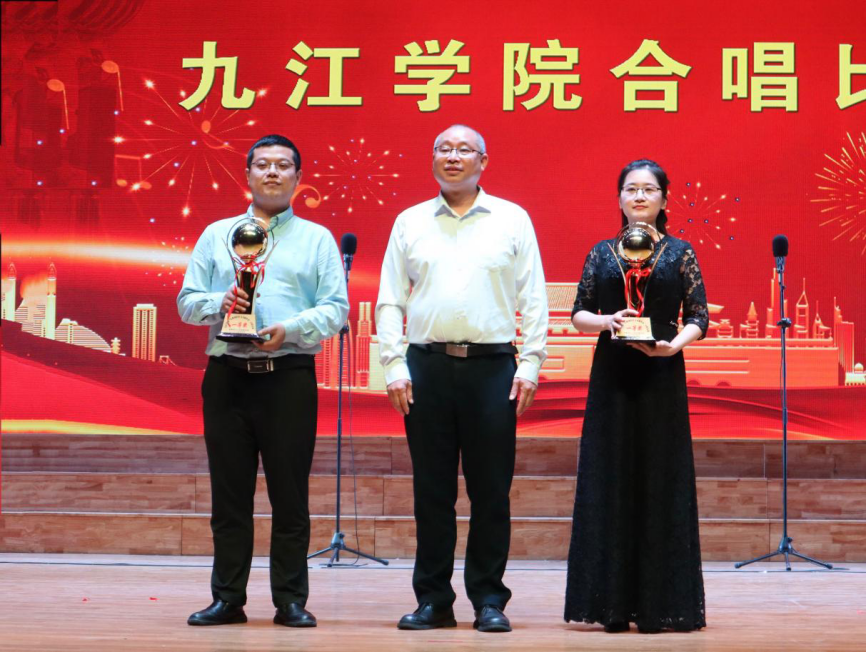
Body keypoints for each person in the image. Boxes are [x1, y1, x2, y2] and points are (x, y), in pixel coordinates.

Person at [376, 124, 548, 633]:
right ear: (433, 158)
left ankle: (489, 600)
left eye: (464, 150)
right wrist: (393, 365)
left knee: (491, 492)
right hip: (425, 367)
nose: (453, 157)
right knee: (432, 492)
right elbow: (390, 299)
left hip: (493, 369)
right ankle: (433, 600)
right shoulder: (410, 221)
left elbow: (534, 297)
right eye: (444, 149)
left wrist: (530, 364)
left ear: (483, 161)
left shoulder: (512, 219)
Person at [178, 134, 348, 628]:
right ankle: (227, 598)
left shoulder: (317, 239)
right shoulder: (217, 235)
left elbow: (335, 309)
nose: (272, 172)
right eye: (263, 165)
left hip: (288, 378)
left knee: (289, 497)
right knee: (229, 498)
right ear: (247, 175)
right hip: (226, 378)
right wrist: (219, 302)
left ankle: (290, 600)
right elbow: (187, 302)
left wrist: (289, 330)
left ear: (298, 177)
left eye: (283, 165)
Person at [564, 159, 708, 634]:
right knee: (610, 477)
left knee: (659, 478)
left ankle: (658, 604)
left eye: (649, 189)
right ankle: (610, 604)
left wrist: (672, 347)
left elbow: (699, 317)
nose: (640, 196)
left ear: (665, 199)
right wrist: (607, 321)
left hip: (661, 375)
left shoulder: (681, 252)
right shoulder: (601, 252)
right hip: (612, 376)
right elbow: (578, 313)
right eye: (631, 189)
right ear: (620, 199)